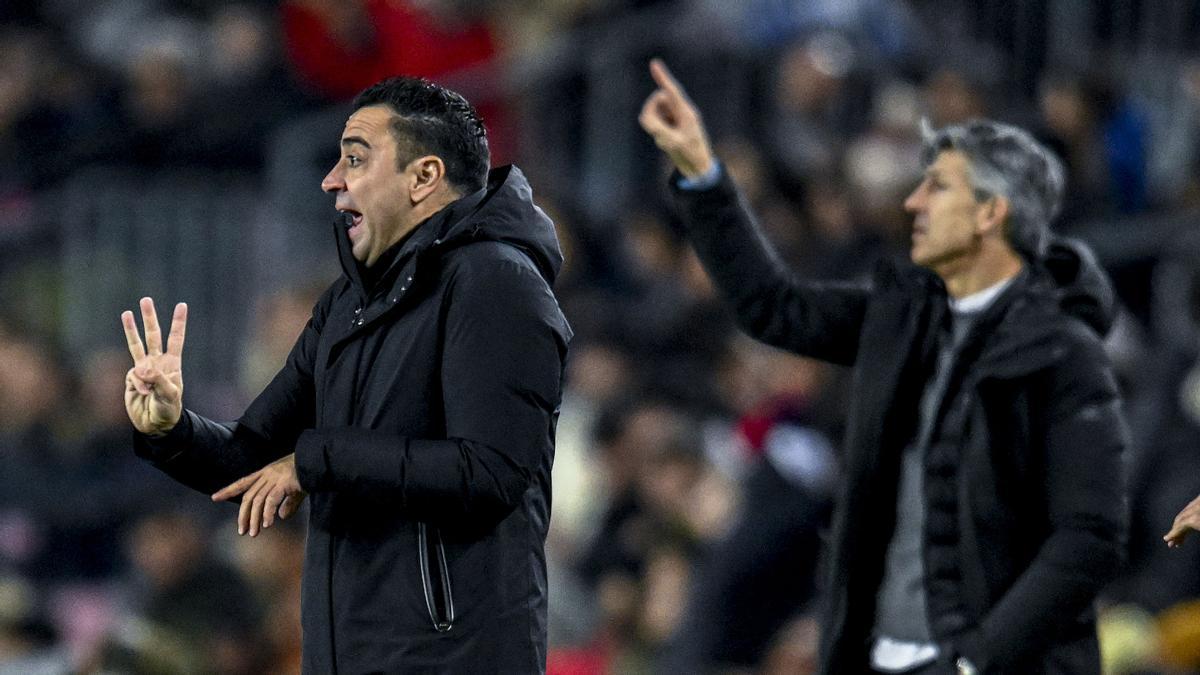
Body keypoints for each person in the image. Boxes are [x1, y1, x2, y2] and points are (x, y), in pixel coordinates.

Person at [639, 59, 1128, 675]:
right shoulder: (900, 325)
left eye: (939, 188)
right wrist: (703, 176)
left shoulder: (1064, 354)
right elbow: (773, 307)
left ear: (990, 214)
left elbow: (1086, 537)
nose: (914, 200)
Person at [120, 75, 571, 673]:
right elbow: (255, 455)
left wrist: (318, 461)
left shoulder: (495, 282)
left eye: (355, 159)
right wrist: (171, 429)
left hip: (451, 658)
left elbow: (489, 473)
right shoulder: (347, 304)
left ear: (424, 176)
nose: (332, 179)